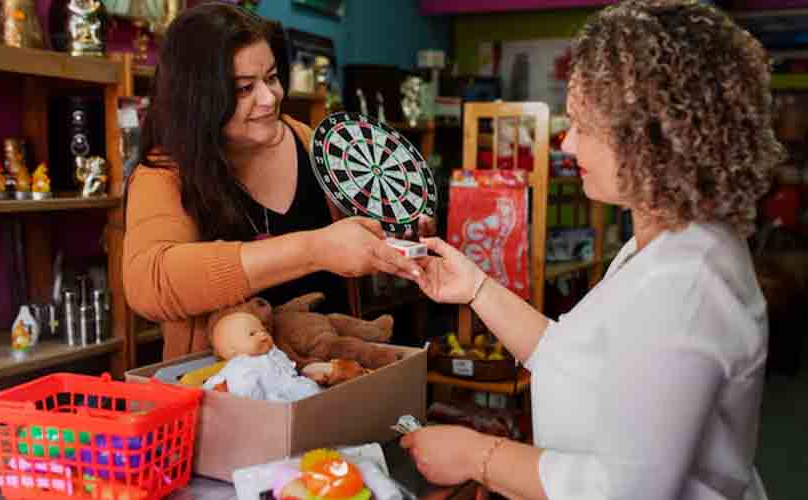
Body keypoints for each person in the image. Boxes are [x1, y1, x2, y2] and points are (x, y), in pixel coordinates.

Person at [400, 1, 785, 499]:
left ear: (653, 140)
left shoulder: (685, 284)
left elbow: (628, 490)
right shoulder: (665, 242)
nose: (566, 145)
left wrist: (479, 457)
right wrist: (475, 287)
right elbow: (572, 358)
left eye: (585, 127)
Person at [122, 2, 426, 360]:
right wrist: (314, 250)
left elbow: (367, 226)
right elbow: (151, 282)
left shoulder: (314, 145)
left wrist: (395, 231)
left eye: (271, 78)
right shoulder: (165, 172)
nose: (269, 98)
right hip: (230, 400)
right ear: (198, 99)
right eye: (243, 89)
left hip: (338, 382)